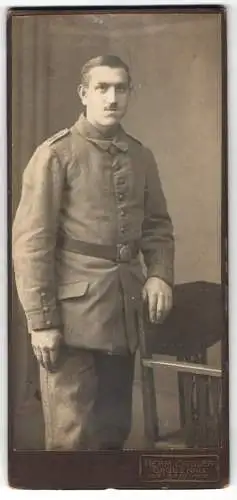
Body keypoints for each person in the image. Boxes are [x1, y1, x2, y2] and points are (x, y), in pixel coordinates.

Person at [12, 55, 174, 451]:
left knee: (112, 434)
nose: (111, 97)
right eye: (102, 88)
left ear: (130, 95)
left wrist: (158, 273)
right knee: (71, 440)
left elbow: (157, 226)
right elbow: (31, 244)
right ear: (84, 94)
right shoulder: (55, 154)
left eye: (120, 88)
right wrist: (41, 323)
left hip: (123, 313)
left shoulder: (140, 156)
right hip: (70, 321)